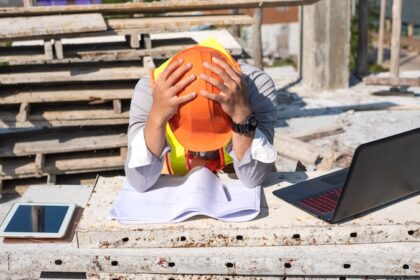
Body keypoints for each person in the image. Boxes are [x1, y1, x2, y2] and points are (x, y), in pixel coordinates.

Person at [125, 39, 277, 192]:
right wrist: (156, 119)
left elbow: (253, 178)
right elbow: (139, 181)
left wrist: (242, 115)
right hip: (174, 192)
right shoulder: (149, 90)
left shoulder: (257, 88)